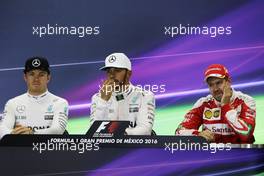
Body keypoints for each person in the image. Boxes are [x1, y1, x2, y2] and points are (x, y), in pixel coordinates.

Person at [176, 64, 256, 143]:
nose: (215, 89)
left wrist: (225, 106)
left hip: (239, 154)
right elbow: (179, 132)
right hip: (212, 154)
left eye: (218, 83)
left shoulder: (246, 101)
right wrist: (198, 135)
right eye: (211, 85)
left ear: (228, 81)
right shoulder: (203, 104)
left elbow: (246, 134)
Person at [0, 57, 69, 139]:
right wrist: (14, 134)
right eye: (31, 74)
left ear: (48, 77)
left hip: (48, 149)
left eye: (41, 74)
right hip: (20, 150)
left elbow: (57, 130)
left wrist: (31, 133)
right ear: (25, 77)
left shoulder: (60, 103)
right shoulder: (12, 103)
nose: (36, 79)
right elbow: (2, 129)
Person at [90, 53, 155, 135]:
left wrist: (118, 134)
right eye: (109, 71)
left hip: (134, 146)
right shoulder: (98, 98)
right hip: (106, 147)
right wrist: (103, 101)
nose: (112, 75)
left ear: (129, 74)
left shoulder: (144, 96)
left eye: (117, 71)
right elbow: (94, 131)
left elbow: (145, 130)